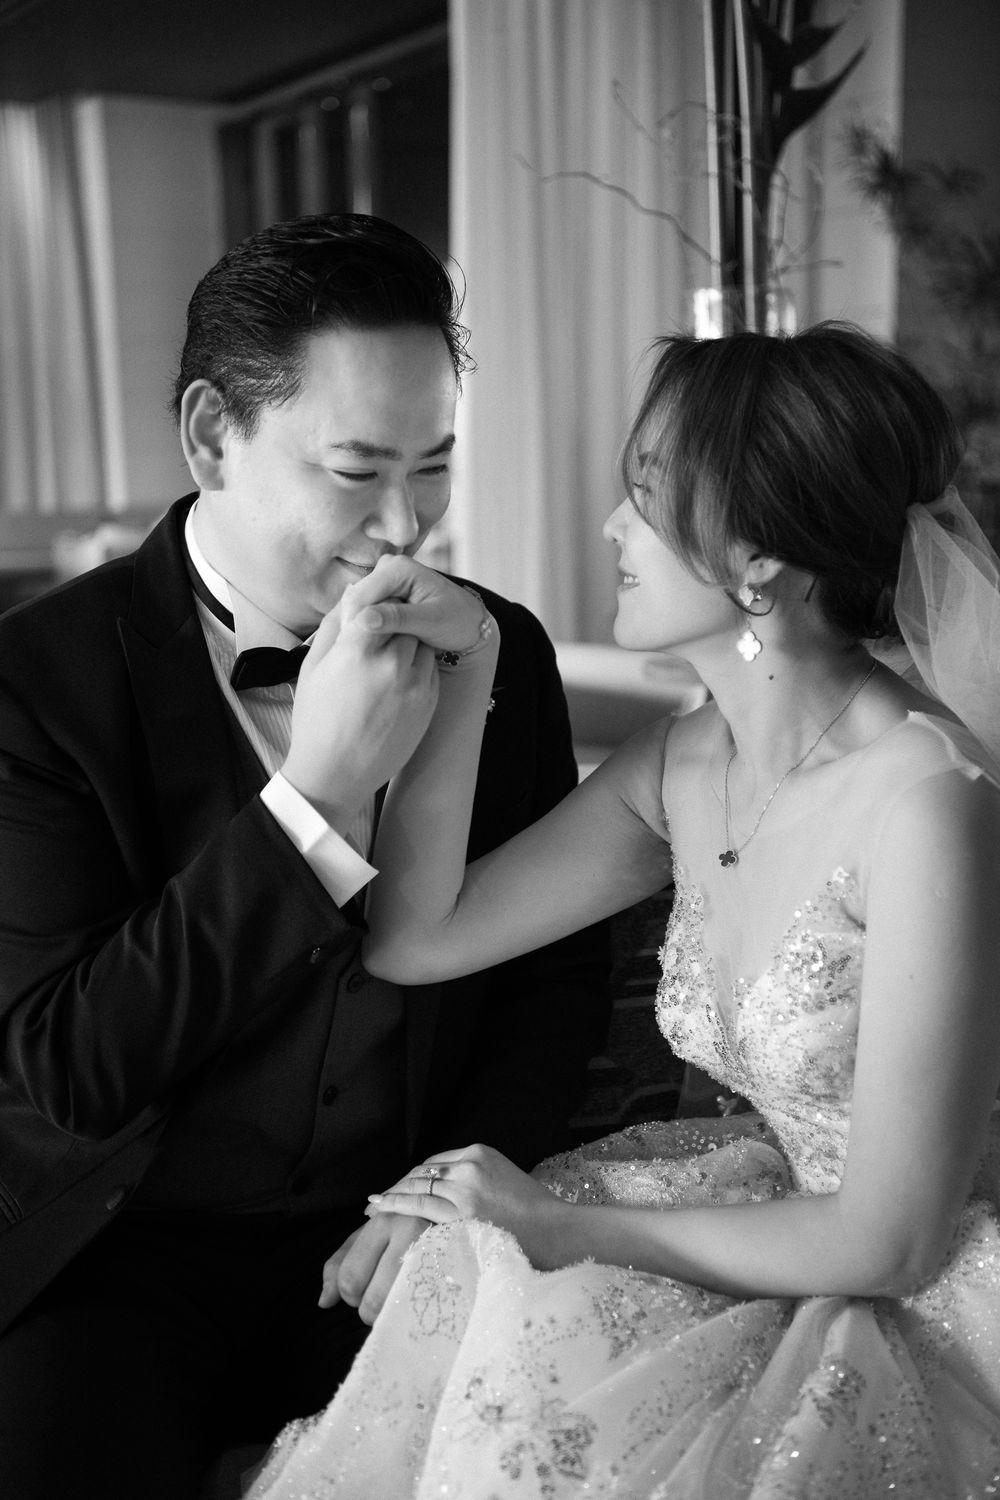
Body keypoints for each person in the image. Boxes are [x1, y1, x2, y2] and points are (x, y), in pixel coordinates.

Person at [247, 324, 1000, 1499]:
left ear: (758, 564)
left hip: (920, 1283)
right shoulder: (678, 764)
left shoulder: (925, 802)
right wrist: (472, 669)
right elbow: (413, 939)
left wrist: (556, 1224)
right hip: (767, 1215)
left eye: (643, 499)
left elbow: (896, 1239)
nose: (612, 529)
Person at [0, 213, 608, 1498]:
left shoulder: (503, 652)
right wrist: (318, 793)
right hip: (115, 1263)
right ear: (213, 432)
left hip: (394, 1242)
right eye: (356, 469)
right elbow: (73, 1066)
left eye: (434, 467)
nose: (404, 529)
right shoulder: (32, 689)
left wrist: (452, 1185)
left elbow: (553, 987)